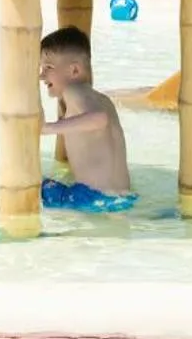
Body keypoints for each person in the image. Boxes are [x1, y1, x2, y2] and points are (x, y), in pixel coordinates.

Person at [38, 26, 135, 211]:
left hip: (90, 198)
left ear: (74, 70)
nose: (42, 75)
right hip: (122, 199)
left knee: (26, 184)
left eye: (48, 67)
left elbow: (99, 119)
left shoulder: (73, 91)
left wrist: (48, 128)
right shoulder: (102, 99)